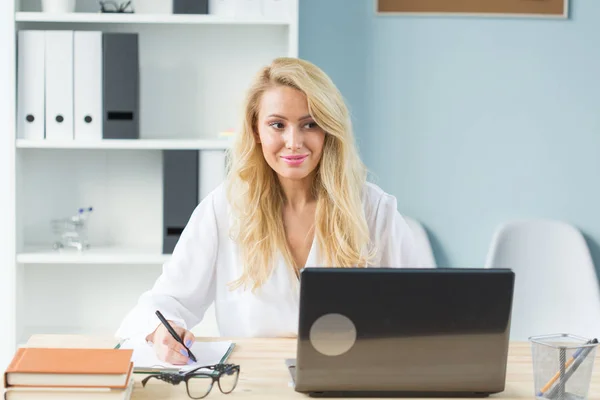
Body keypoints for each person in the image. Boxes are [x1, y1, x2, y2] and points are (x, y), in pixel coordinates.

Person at [115, 57, 421, 365]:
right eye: (278, 125)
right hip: (252, 384)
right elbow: (165, 302)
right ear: (256, 130)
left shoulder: (374, 210)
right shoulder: (224, 209)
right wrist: (162, 331)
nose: (293, 142)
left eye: (310, 124)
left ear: (329, 130)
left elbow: (422, 314)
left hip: (350, 382)